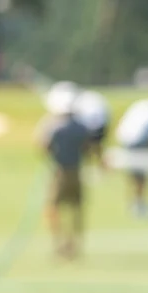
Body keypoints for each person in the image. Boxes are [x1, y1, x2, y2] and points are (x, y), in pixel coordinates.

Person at [37, 89, 93, 259]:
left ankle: (59, 243)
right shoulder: (82, 127)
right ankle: (74, 243)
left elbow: (43, 146)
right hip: (77, 171)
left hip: (59, 172)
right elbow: (88, 148)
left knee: (53, 207)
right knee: (76, 208)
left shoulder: (55, 126)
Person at [72, 89, 111, 170]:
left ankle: (88, 166)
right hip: (101, 124)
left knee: (86, 147)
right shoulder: (94, 98)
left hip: (90, 125)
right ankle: (101, 166)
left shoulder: (81, 100)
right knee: (98, 147)